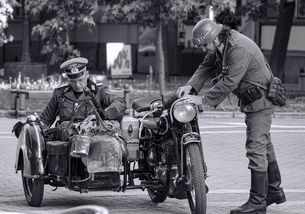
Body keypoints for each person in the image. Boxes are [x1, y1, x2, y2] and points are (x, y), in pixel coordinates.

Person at [176, 18, 286, 214]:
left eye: (204, 45)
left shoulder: (237, 48)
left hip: (261, 103)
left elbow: (229, 82)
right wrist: (190, 86)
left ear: (214, 38)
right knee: (265, 146)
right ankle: (274, 191)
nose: (204, 49)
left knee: (255, 149)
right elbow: (206, 66)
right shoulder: (220, 45)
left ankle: (257, 202)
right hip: (252, 101)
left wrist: (201, 100)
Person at [40, 57, 126, 128]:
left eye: (80, 80)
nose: (77, 85)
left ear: (87, 74)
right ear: (68, 79)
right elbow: (44, 121)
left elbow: (120, 102)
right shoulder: (59, 94)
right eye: (73, 81)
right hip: (65, 142)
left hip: (92, 140)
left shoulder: (99, 91)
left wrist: (103, 115)